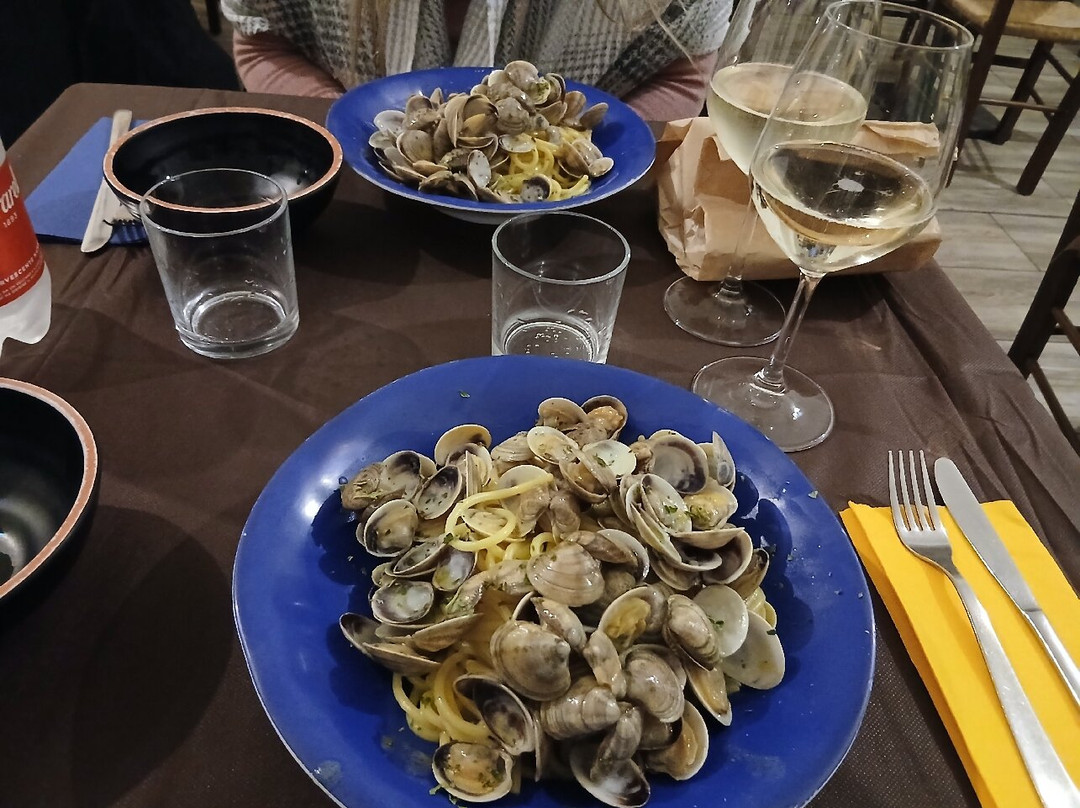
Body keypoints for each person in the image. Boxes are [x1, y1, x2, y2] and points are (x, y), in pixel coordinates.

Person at [222, 0, 731, 120]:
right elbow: (264, 39)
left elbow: (681, 71)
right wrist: (350, 127)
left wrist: (588, 150)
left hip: (581, 227)